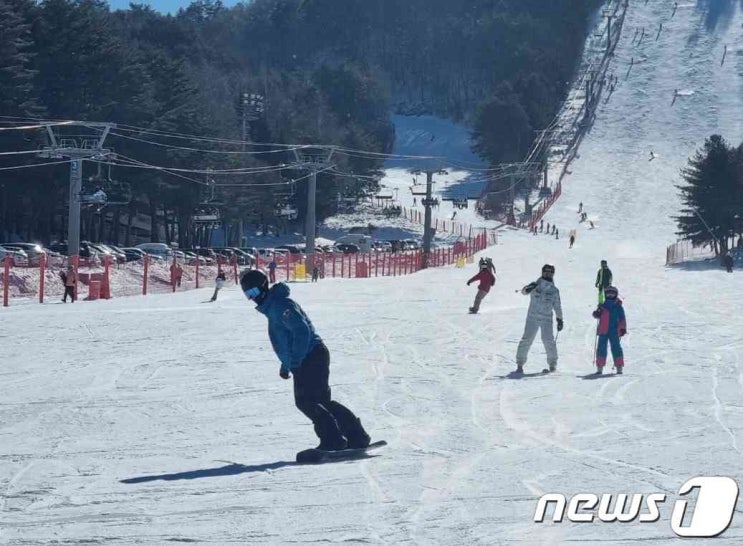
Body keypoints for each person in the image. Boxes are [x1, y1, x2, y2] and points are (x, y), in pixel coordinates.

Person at [240, 269, 371, 451]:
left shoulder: (280, 305)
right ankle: (356, 437)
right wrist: (286, 365)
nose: (253, 298)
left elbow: (302, 332)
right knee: (320, 402)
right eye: (248, 295)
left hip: (311, 356)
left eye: (253, 292)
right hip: (308, 357)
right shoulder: (273, 306)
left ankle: (335, 439)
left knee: (306, 401)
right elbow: (287, 341)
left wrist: (295, 362)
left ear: (263, 286)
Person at [515, 264, 563, 373]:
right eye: (546, 271)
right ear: (542, 272)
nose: (548, 273)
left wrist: (560, 319)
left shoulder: (554, 290)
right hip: (533, 317)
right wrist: (528, 288)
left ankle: (552, 364)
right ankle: (520, 364)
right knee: (527, 339)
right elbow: (524, 292)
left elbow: (557, 305)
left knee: (548, 340)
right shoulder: (535, 285)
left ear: (553, 274)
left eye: (550, 271)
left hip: (547, 319)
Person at [592, 286, 627, 374]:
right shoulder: (602, 306)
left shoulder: (618, 306)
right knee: (601, 348)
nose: (610, 296)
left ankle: (619, 366)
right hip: (603, 330)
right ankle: (600, 367)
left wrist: (622, 328)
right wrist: (596, 314)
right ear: (606, 295)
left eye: (612, 294)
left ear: (615, 295)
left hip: (614, 331)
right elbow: (597, 314)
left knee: (616, 348)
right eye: (608, 294)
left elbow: (622, 318)